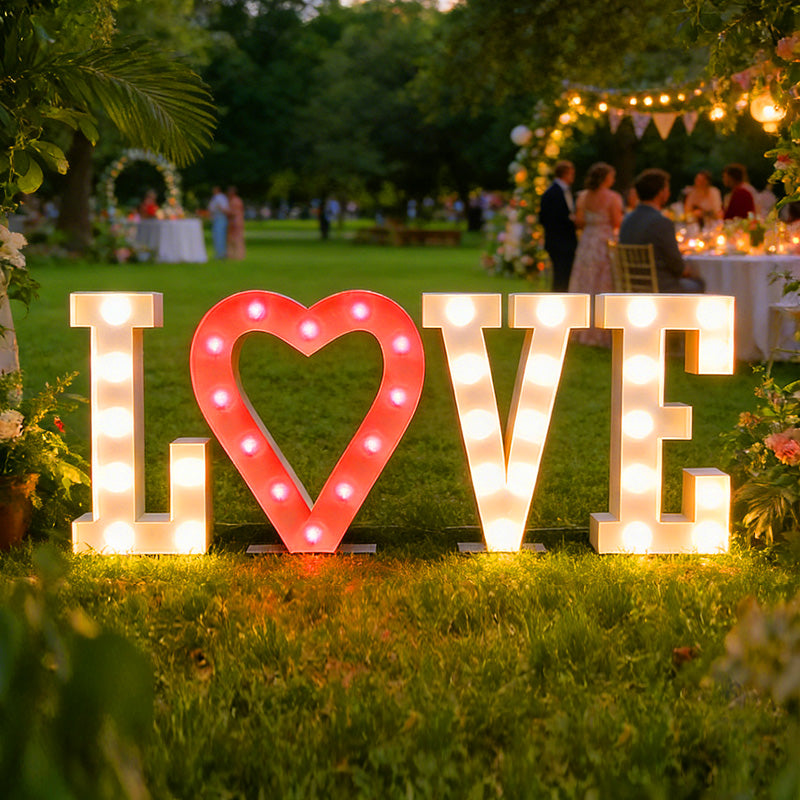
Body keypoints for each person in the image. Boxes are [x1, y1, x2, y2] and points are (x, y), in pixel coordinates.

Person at [619, 168, 705, 293]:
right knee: (699, 283)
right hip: (661, 286)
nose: (669, 193)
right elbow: (677, 266)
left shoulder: (626, 220)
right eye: (667, 189)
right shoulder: (661, 222)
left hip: (631, 284)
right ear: (661, 193)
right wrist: (691, 270)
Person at [567, 162, 623, 346]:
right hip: (603, 242)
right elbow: (617, 221)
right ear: (606, 178)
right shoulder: (612, 197)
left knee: (585, 282)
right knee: (602, 283)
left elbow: (579, 221)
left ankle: (580, 326)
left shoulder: (583, 197)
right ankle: (601, 330)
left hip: (587, 242)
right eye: (612, 176)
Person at [539, 160, 578, 292]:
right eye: (571, 174)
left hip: (565, 242)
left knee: (565, 275)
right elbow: (546, 218)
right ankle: (559, 298)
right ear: (565, 174)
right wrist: (570, 221)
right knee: (560, 276)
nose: (573, 177)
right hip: (559, 242)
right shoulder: (552, 193)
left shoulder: (566, 191)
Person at [208, 186, 229, 259]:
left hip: (220, 218)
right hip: (218, 218)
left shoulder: (219, 197)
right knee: (218, 236)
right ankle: (220, 253)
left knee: (219, 237)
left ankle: (221, 253)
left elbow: (222, 208)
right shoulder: (219, 197)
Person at [226, 186, 245, 260]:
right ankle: (233, 255)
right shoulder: (237, 200)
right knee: (233, 239)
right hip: (236, 221)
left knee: (235, 239)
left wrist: (225, 212)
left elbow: (234, 213)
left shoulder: (234, 201)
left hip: (235, 221)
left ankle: (237, 255)